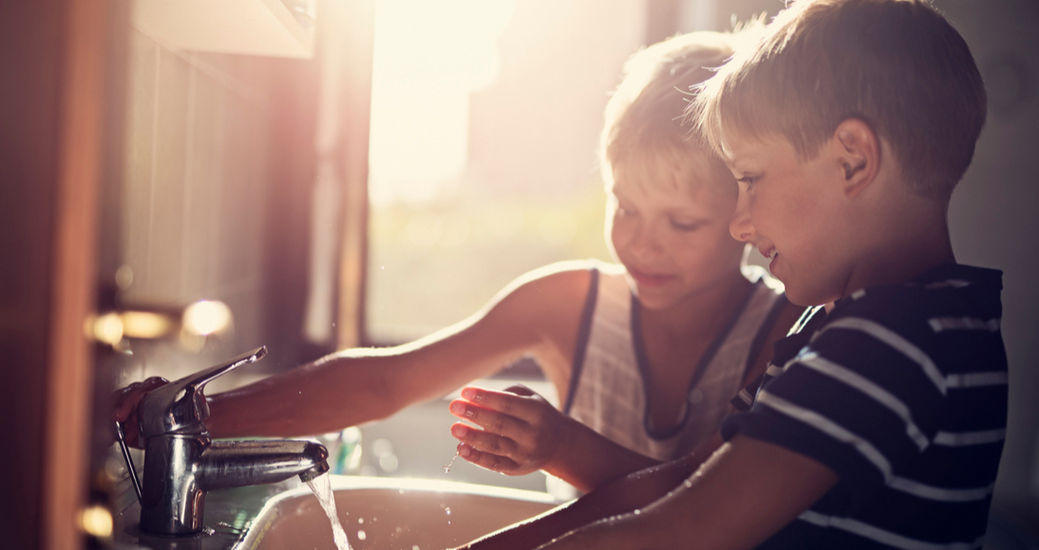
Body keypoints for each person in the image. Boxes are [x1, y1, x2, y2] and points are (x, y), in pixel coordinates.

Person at [300, 2, 1007, 550]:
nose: (741, 220)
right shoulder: (861, 330)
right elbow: (672, 489)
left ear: (853, 160)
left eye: (751, 179)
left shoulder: (886, 347)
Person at [113, 31, 797, 496]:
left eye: (681, 222)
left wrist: (561, 444)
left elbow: (707, 504)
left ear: (748, 211)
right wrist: (196, 414)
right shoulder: (570, 304)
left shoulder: (784, 329)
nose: (642, 243)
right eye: (626, 206)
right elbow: (385, 382)